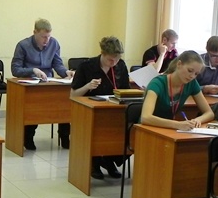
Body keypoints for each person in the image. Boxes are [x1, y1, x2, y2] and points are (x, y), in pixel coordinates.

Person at [141, 50, 215, 198]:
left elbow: (209, 113)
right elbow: (145, 117)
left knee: (192, 165)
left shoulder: (191, 84)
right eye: (190, 71)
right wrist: (178, 124)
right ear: (179, 64)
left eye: (196, 74)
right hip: (150, 133)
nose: (192, 76)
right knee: (182, 167)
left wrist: (198, 120)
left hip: (171, 132)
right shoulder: (158, 83)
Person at [70, 36, 130, 179]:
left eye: (117, 59)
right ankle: (95, 162)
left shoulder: (121, 65)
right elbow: (73, 95)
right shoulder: (86, 66)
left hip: (115, 111)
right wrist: (87, 86)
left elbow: (126, 91)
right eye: (110, 60)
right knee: (97, 131)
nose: (114, 63)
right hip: (90, 112)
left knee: (128, 132)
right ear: (102, 53)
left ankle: (109, 160)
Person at [10, 18, 75, 150]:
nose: (46, 40)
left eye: (48, 36)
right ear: (34, 32)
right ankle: (28, 137)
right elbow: (15, 69)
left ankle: (64, 136)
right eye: (43, 37)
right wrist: (33, 70)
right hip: (30, 85)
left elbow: (57, 64)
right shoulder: (23, 45)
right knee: (34, 108)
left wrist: (66, 72)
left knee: (64, 104)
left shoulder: (54, 43)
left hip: (48, 82)